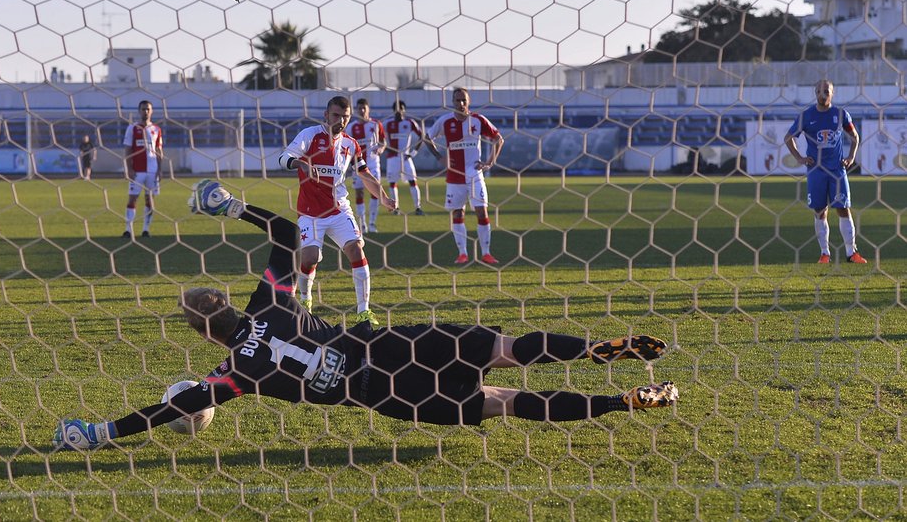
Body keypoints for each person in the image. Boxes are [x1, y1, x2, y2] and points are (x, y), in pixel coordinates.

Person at [52, 180, 678, 450]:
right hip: (393, 347)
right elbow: (289, 230)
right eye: (210, 295)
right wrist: (232, 205)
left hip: (382, 394)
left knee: (505, 400)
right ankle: (612, 349)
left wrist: (104, 432)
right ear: (223, 304)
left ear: (202, 335)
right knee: (508, 348)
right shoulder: (270, 300)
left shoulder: (234, 376)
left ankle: (627, 402)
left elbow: (171, 410)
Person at [278, 96, 395, 324]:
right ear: (326, 114)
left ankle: (363, 311)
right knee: (310, 258)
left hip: (339, 210)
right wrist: (301, 164)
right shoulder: (310, 135)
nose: (341, 120)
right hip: (310, 213)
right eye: (336, 115)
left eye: (346, 116)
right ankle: (305, 298)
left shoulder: (351, 144)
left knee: (356, 250)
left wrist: (383, 197)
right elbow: (284, 157)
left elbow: (364, 173)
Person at [784, 79, 867, 264]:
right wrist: (799, 158)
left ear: (832, 93)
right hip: (816, 171)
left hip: (837, 171)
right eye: (820, 91)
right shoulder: (806, 116)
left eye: (827, 92)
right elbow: (788, 138)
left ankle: (851, 253)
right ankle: (825, 253)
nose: (823, 95)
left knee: (843, 209)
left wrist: (851, 157)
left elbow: (855, 137)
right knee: (820, 211)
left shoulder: (841, 114)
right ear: (815, 93)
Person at [427, 87, 504, 265]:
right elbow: (426, 138)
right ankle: (463, 254)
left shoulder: (478, 120)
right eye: (457, 100)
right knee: (457, 213)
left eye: (464, 100)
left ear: (469, 102)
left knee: (481, 211)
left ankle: (486, 253)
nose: (461, 104)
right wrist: (440, 157)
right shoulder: (445, 121)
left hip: (475, 174)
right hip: (454, 176)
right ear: (452, 102)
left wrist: (490, 162)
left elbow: (498, 139)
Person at [382, 100, 438, 215]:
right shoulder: (387, 124)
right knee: (392, 183)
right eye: (397, 108)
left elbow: (422, 137)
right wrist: (387, 148)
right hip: (392, 158)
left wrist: (414, 152)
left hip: (406, 157)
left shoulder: (409, 123)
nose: (399, 111)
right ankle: (395, 208)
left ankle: (418, 208)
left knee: (413, 181)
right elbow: (378, 137)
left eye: (401, 108)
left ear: (404, 110)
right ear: (393, 111)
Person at [123, 100, 164, 238]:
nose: (145, 111)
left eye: (148, 109)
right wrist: (129, 168)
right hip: (137, 171)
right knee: (132, 199)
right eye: (143, 109)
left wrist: (160, 169)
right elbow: (128, 149)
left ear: (151, 111)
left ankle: (146, 229)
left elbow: (158, 150)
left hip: (152, 171)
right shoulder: (132, 128)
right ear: (139, 111)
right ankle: (128, 230)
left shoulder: (157, 129)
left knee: (149, 200)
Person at [345, 98, 386, 233]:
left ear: (368, 109)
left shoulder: (376, 124)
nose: (362, 111)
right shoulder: (351, 127)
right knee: (359, 193)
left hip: (373, 164)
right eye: (359, 108)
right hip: (357, 165)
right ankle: (362, 225)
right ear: (356, 110)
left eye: (364, 108)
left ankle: (372, 224)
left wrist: (380, 149)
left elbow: (383, 142)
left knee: (376, 193)